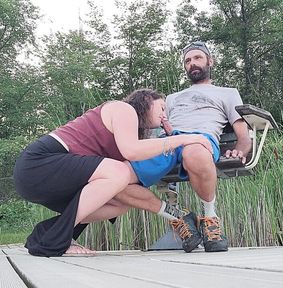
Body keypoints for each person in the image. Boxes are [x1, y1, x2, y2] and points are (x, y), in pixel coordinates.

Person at [13, 88, 212, 257]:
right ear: (146, 100)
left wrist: (173, 143)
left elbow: (131, 165)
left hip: (46, 180)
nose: (164, 116)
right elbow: (131, 151)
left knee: (119, 204)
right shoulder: (123, 109)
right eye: (161, 108)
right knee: (118, 172)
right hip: (38, 165)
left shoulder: (129, 131)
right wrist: (185, 139)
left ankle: (47, 233)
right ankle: (56, 241)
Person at [129, 41, 252, 253]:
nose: (192, 63)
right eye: (187, 61)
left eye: (197, 58)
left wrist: (240, 149)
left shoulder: (227, 93)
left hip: (201, 139)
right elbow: (160, 124)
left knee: (193, 151)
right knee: (118, 174)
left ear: (209, 61)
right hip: (169, 142)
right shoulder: (173, 98)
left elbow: (243, 133)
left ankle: (209, 218)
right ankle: (177, 217)